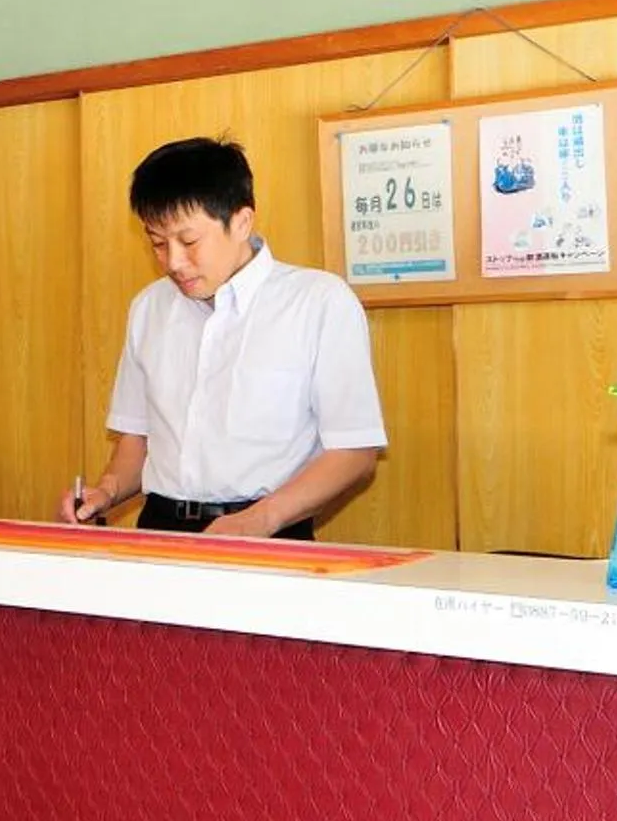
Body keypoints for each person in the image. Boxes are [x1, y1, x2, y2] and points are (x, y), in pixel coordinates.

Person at [59, 136, 383, 539]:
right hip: (159, 528)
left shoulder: (318, 302)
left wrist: (261, 519)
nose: (173, 262)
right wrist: (105, 491)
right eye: (158, 244)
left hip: (268, 529)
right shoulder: (150, 307)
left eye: (189, 241)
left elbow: (355, 452)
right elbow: (137, 436)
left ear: (242, 222)